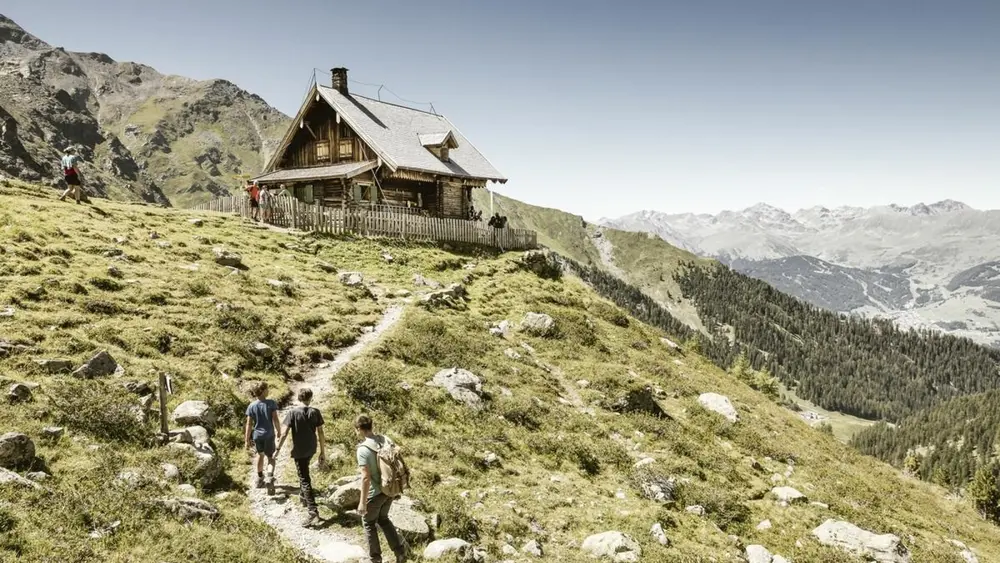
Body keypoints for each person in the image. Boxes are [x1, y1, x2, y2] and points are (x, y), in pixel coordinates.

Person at [356, 414, 408, 563]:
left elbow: (365, 478)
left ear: (359, 429)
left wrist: (362, 502)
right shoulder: (385, 439)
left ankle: (375, 559)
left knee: (368, 523)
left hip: (375, 493)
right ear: (371, 426)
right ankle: (400, 553)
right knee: (384, 519)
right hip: (390, 488)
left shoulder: (363, 449)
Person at [275, 387, 325, 526]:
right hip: (311, 448)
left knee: (304, 479)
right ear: (310, 398)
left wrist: (277, 449)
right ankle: (303, 496)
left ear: (299, 398)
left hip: (299, 449)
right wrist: (323, 452)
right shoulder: (315, 412)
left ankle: (312, 512)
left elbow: (284, 433)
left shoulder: (292, 413)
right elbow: (320, 433)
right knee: (304, 471)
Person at [244, 382, 281, 489]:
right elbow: (275, 419)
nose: (268, 391)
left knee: (260, 455)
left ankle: (259, 478)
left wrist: (247, 440)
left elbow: (249, 424)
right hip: (269, 435)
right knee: (271, 457)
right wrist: (278, 431)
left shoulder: (251, 406)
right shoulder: (271, 403)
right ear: (263, 391)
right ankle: (269, 477)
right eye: (267, 389)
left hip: (257, 436)